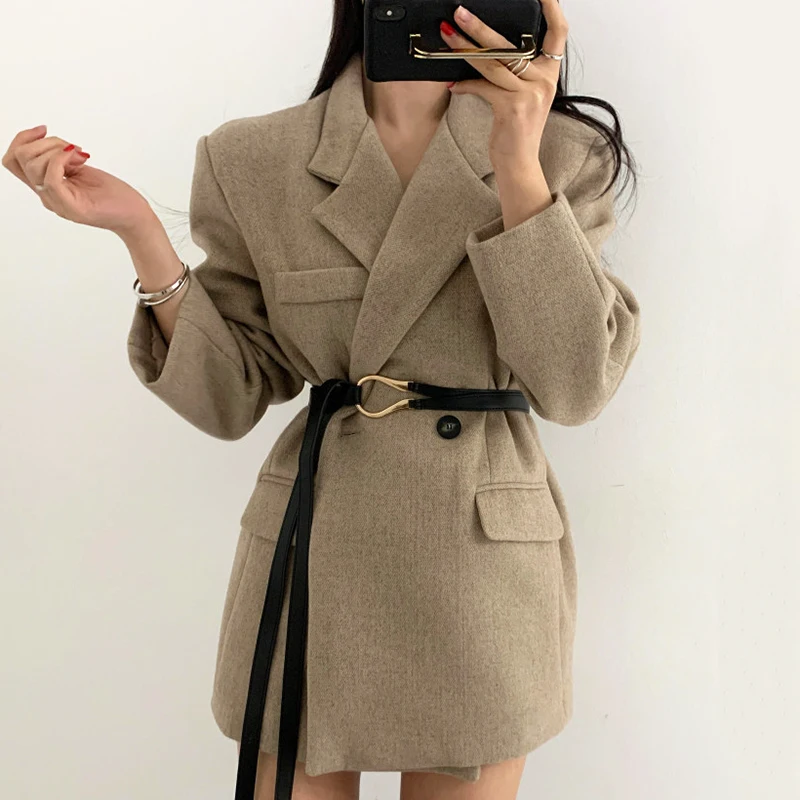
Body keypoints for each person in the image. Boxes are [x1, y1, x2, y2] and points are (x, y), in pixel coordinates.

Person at [2, 2, 641, 798]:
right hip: (316, 546)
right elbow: (230, 395)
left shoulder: (564, 154)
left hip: (480, 559)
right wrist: (140, 232)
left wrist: (516, 161)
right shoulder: (254, 158)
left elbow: (576, 386)